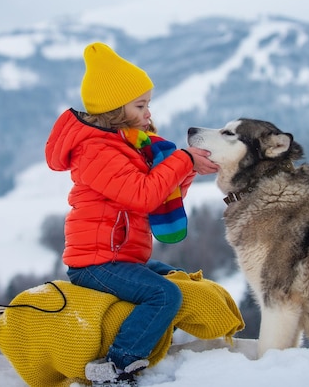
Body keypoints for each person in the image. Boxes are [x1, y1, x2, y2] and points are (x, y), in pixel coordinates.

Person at [45, 42, 218, 386]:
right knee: (164, 294)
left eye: (147, 104)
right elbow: (142, 195)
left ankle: (159, 347)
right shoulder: (95, 150)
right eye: (140, 105)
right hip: (95, 264)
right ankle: (115, 367)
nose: (147, 113)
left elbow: (157, 197)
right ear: (114, 109)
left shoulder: (128, 144)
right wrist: (182, 160)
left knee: (172, 277)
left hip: (120, 258)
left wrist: (185, 171)